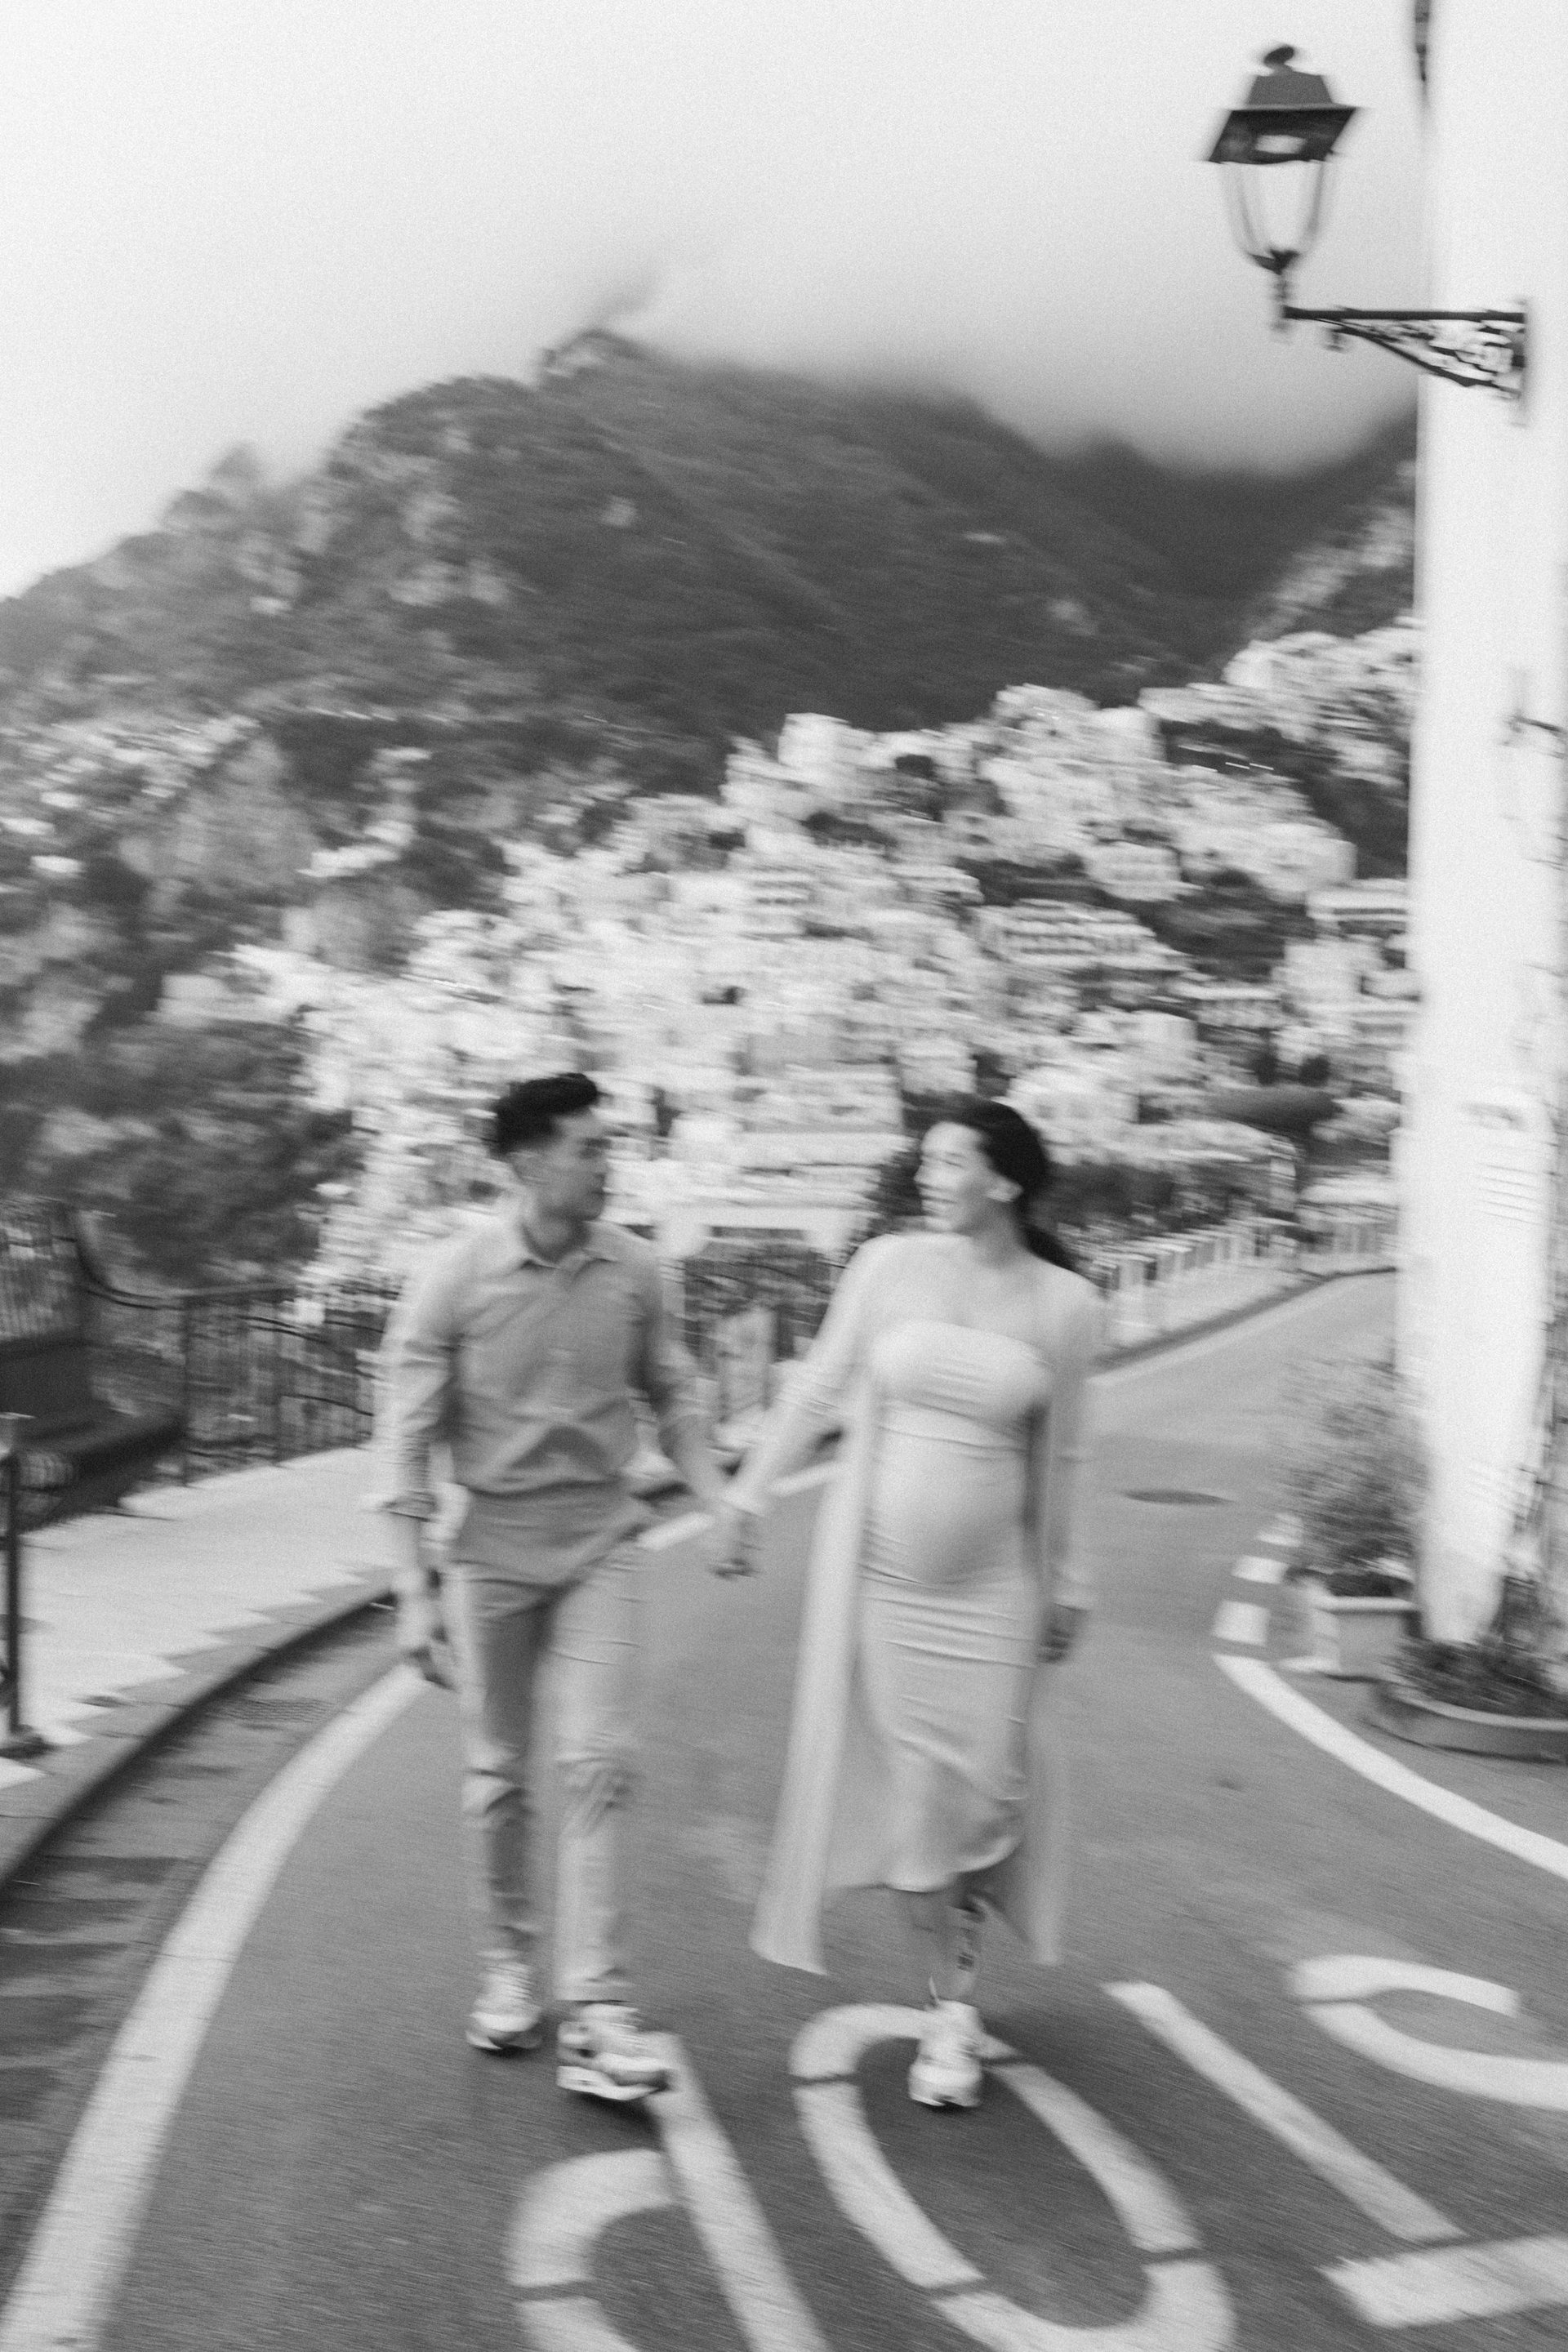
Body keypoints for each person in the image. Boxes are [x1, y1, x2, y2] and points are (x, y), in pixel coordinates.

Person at [713, 1099, 1105, 2110]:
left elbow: (1063, 1459)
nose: (928, 1178)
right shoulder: (887, 1267)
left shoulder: (1066, 1305)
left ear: (1004, 1181)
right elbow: (815, 1390)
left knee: (987, 1800)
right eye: (925, 1163)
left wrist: (1068, 1580)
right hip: (890, 1590)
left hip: (997, 1596)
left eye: (949, 1162)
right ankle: (950, 2006)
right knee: (919, 1805)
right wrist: (749, 1496)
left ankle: (960, 1925)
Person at [377, 1072, 741, 2102]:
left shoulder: (637, 1270)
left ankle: (597, 2008)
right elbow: (403, 1442)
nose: (606, 1164)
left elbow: (674, 1395)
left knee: (599, 1761)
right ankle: (508, 1965)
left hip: (599, 1545)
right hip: (488, 1552)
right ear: (527, 1162)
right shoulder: (453, 1278)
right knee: (498, 1773)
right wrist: (411, 1591)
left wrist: (716, 1498)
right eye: (589, 1147)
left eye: (607, 1145)